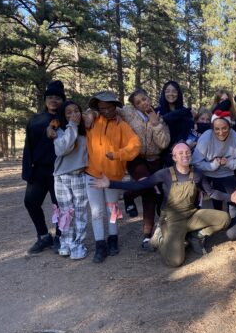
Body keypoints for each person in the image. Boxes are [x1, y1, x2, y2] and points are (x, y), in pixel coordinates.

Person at [91, 143, 236, 267]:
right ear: (174, 157)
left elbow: (212, 193)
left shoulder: (197, 174)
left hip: (192, 215)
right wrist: (110, 183)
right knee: (175, 261)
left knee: (224, 218)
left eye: (187, 152)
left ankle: (196, 235)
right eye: (181, 153)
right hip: (172, 220)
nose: (185, 155)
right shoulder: (164, 174)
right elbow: (140, 185)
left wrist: (230, 197)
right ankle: (161, 237)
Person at [85, 91, 141, 263]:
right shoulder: (91, 121)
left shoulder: (122, 125)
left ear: (115, 107)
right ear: (97, 108)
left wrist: (118, 154)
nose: (107, 111)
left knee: (112, 209)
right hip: (92, 174)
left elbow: (135, 145)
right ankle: (100, 244)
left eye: (110, 107)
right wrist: (89, 113)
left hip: (112, 177)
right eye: (102, 108)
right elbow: (70, 117)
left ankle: (113, 239)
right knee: (96, 212)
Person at [119, 88, 170, 250]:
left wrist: (156, 124)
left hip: (155, 160)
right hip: (136, 159)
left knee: (150, 195)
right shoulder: (128, 113)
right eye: (138, 102)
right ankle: (129, 195)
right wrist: (90, 113)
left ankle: (147, 236)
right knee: (148, 184)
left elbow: (163, 144)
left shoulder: (159, 116)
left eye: (145, 99)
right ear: (134, 106)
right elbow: (111, 109)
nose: (143, 103)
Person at [23, 80, 65, 254]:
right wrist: (27, 170)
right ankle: (43, 236)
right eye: (50, 97)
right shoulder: (35, 119)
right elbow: (28, 146)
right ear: (45, 99)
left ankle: (61, 237)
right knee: (31, 202)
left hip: (60, 170)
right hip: (39, 169)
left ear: (62, 100)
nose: (53, 100)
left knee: (60, 206)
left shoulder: (67, 118)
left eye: (57, 97)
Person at [191, 110, 236, 214]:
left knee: (235, 199)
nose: (221, 132)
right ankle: (218, 217)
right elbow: (196, 161)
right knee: (216, 200)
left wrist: (229, 163)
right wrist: (213, 165)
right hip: (207, 174)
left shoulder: (234, 135)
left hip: (226, 172)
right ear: (212, 128)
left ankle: (233, 220)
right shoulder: (206, 137)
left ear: (230, 127)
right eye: (217, 129)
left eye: (224, 128)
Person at [52, 101, 89, 259]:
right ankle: (66, 242)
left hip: (79, 175)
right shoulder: (60, 131)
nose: (74, 114)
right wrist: (72, 126)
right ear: (63, 116)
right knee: (65, 212)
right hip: (61, 177)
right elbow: (62, 149)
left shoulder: (86, 132)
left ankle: (78, 245)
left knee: (80, 212)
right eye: (69, 112)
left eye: (76, 111)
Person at [156, 81, 194, 165]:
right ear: (163, 93)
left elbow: (189, 132)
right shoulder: (158, 112)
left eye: (174, 91)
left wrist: (180, 143)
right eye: (168, 91)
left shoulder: (186, 112)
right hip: (163, 153)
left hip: (183, 151)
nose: (171, 94)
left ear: (178, 93)